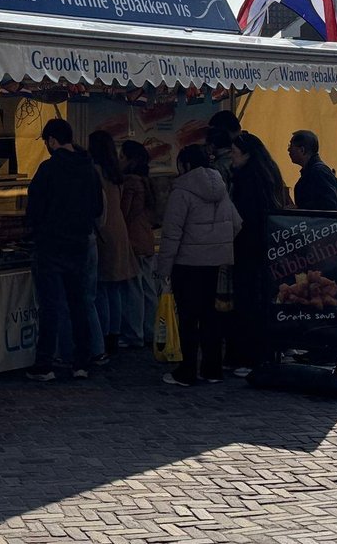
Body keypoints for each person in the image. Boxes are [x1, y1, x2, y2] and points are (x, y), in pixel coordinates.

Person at [156, 145, 242, 386]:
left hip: (187, 264)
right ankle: (212, 370)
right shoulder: (221, 189)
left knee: (188, 319)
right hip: (216, 264)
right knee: (211, 318)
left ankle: (187, 371)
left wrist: (164, 270)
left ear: (185, 165)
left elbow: (171, 234)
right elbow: (236, 224)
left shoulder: (181, 191)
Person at [25, 118, 103, 381]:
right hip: (79, 244)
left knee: (50, 306)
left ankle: (44, 364)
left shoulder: (48, 169)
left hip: (50, 246)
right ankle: (81, 362)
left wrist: (36, 230)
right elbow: (97, 207)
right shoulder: (89, 168)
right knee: (78, 304)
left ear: (52, 141)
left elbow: (34, 208)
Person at [227, 132, 291, 375]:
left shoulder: (247, 180)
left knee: (248, 301)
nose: (231, 157)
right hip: (265, 246)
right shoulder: (267, 173)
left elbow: (244, 217)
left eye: (234, 153)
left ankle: (250, 357)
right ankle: (262, 353)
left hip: (248, 246)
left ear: (246, 154)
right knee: (261, 299)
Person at [89, 130, 138, 359]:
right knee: (114, 289)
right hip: (119, 230)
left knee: (101, 288)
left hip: (103, 231)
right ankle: (114, 336)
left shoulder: (95, 171)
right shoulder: (116, 173)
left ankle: (105, 337)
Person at [118, 139, 158, 348]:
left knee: (134, 289)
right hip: (146, 238)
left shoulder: (130, 182)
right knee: (148, 289)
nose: (119, 161)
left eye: (121, 157)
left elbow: (123, 213)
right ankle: (151, 330)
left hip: (133, 240)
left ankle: (134, 333)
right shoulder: (146, 181)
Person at [288, 130, 337, 212]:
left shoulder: (318, 172)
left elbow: (329, 205)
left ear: (302, 150)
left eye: (291, 146)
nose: (288, 150)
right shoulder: (316, 171)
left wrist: (299, 209)